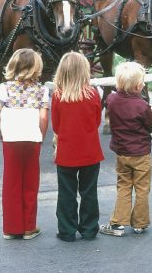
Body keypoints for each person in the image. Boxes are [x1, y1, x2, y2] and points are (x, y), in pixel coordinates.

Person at [0, 48, 49, 240]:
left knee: (11, 181)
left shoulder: (4, 88)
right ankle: (28, 228)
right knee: (30, 182)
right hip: (32, 137)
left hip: (11, 137)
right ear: (36, 67)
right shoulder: (42, 90)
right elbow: (43, 117)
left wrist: (0, 130)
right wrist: (41, 135)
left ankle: (11, 227)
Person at [100, 62, 152, 236]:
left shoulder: (111, 100)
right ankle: (140, 223)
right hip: (141, 154)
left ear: (118, 83)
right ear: (139, 86)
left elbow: (111, 107)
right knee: (142, 188)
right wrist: (150, 112)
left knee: (123, 186)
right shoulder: (142, 106)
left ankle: (117, 224)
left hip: (122, 152)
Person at [52, 51, 104, 242]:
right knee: (89, 192)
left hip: (67, 152)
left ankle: (66, 230)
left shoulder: (58, 96)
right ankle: (89, 228)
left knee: (66, 192)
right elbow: (97, 121)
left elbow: (56, 126)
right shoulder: (94, 94)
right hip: (90, 151)